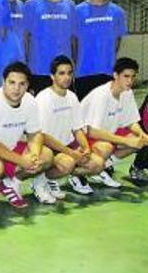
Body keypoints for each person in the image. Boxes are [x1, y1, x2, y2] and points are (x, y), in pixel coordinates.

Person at [0, 61, 56, 208]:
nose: (16, 89)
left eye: (22, 84)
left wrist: (34, 156)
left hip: (10, 148)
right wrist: (22, 161)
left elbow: (35, 133)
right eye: (12, 83)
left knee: (47, 155)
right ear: (3, 82)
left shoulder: (30, 101)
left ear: (27, 85)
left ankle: (12, 182)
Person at [35, 56, 106, 197]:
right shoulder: (43, 99)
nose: (66, 77)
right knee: (67, 163)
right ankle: (41, 181)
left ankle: (72, 176)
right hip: (49, 148)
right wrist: (70, 152)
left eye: (69, 73)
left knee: (98, 164)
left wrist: (86, 148)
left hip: (68, 147)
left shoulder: (72, 97)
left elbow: (77, 129)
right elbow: (42, 136)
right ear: (52, 76)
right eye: (61, 73)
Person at [80, 57, 148, 187]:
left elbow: (131, 121)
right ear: (115, 75)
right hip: (83, 137)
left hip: (107, 133)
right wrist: (125, 141)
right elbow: (92, 132)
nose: (130, 81)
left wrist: (141, 134)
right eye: (126, 76)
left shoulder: (127, 92)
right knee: (106, 148)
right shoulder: (102, 95)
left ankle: (101, 168)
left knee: (138, 140)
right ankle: (79, 175)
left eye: (133, 76)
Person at [73, 0, 129, 99]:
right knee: (85, 117)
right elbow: (73, 41)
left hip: (107, 72)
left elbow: (117, 43)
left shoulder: (117, 12)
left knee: (105, 116)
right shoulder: (77, 11)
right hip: (83, 73)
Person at [23, 0, 77, 94]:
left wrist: (73, 65)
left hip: (63, 71)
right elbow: (25, 38)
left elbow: (74, 39)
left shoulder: (70, 6)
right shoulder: (31, 5)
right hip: (38, 70)